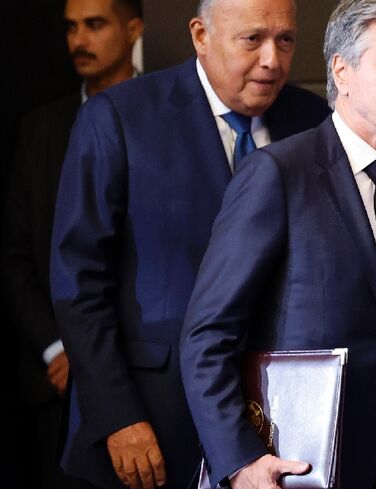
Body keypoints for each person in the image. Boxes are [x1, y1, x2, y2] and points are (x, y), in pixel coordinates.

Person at [49, 0, 331, 486]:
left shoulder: (312, 120)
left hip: (278, 423)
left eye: (285, 40)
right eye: (253, 39)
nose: (272, 58)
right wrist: (117, 416)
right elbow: (78, 286)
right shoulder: (118, 117)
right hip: (151, 421)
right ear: (201, 36)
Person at [179, 1, 376, 488]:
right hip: (304, 465)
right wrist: (240, 459)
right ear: (342, 71)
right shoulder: (278, 174)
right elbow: (207, 336)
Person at [0, 0, 143, 487]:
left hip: (153, 376)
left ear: (133, 29)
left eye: (95, 25)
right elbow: (17, 257)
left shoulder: (169, 113)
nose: (79, 40)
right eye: (71, 28)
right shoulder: (40, 128)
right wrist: (59, 347)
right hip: (57, 384)